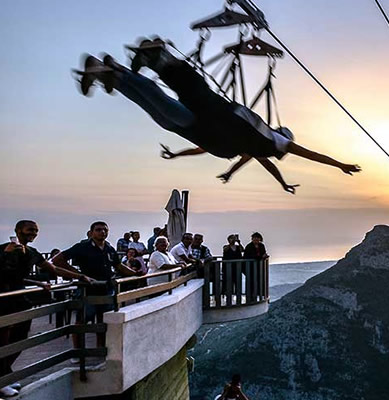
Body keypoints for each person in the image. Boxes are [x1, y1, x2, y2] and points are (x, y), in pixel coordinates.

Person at [75, 41, 361, 194]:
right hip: (196, 123)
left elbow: (260, 164)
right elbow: (311, 155)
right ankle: (117, 70)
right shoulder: (274, 141)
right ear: (284, 137)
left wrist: (279, 182)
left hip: (194, 127)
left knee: (158, 99)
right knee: (157, 100)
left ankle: (111, 72)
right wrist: (339, 165)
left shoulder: (256, 145)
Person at [2, 220, 94, 395]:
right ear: (18, 230)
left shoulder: (31, 252)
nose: (33, 233)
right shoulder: (4, 249)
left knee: (19, 339)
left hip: (19, 299)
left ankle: (4, 374)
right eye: (30, 230)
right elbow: (3, 274)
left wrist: (80, 276)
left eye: (35, 231)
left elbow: (54, 269)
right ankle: (2, 379)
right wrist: (5, 255)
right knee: (3, 340)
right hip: (4, 300)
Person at [50, 221, 141, 353]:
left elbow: (118, 266)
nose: (102, 232)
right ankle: (78, 352)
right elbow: (57, 260)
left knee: (103, 321)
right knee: (82, 321)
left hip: (106, 288)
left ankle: (100, 349)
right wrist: (78, 275)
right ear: (91, 232)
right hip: (88, 289)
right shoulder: (82, 247)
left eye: (105, 230)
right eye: (98, 230)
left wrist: (135, 274)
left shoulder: (109, 248)